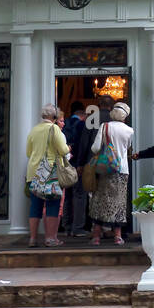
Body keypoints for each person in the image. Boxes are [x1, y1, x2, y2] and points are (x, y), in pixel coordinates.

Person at [26, 102, 70, 247]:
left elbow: (28, 152)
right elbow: (63, 150)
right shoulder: (54, 129)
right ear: (54, 116)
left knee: (35, 206)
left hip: (33, 172)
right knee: (52, 205)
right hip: (50, 173)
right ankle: (50, 238)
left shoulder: (34, 130)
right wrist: (68, 148)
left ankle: (32, 238)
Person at [90, 101, 134, 246]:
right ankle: (118, 237)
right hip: (121, 171)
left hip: (105, 169)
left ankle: (96, 236)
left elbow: (95, 148)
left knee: (100, 201)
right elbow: (128, 147)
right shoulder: (129, 130)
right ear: (125, 115)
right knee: (119, 203)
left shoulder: (105, 126)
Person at [61, 100, 93, 238]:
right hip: (77, 165)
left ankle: (66, 226)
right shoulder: (82, 125)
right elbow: (83, 145)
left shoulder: (64, 123)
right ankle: (78, 228)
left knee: (67, 195)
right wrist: (81, 164)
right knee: (79, 195)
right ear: (82, 114)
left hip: (64, 164)